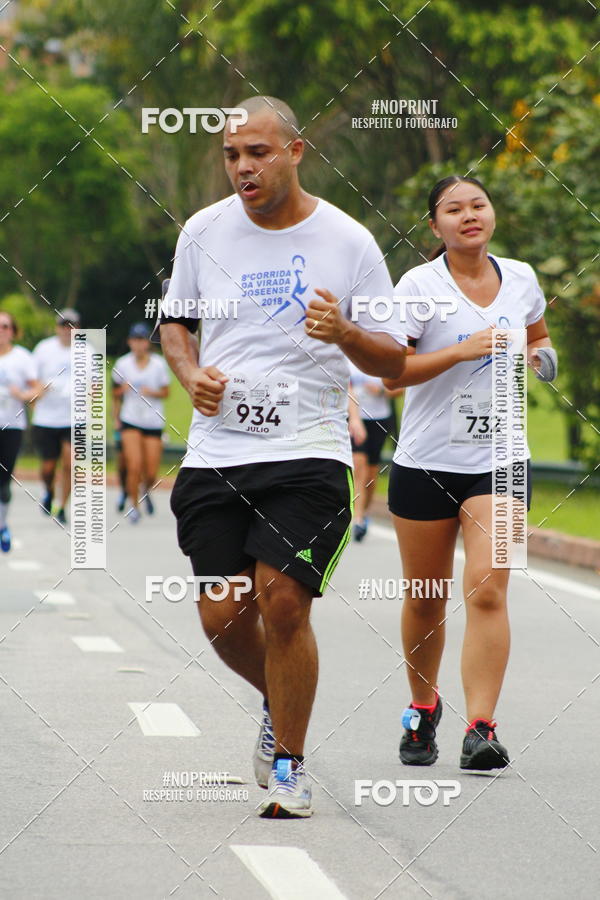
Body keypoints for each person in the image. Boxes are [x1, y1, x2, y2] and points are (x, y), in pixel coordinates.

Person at [158, 95, 406, 818]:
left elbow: (394, 358)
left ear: (295, 152)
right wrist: (188, 372)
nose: (243, 167)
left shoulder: (349, 241)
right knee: (220, 615)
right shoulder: (203, 230)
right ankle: (278, 694)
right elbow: (175, 324)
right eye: (232, 155)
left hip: (308, 447)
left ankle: (292, 766)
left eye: (258, 152)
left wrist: (347, 335)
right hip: (219, 450)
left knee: (285, 601)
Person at [383, 175, 556, 771]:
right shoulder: (417, 287)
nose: (468, 216)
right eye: (452, 210)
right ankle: (421, 709)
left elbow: (540, 337)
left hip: (502, 461)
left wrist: (540, 359)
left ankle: (481, 727)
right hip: (426, 463)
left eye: (477, 205)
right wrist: (462, 349)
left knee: (489, 586)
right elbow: (392, 374)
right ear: (435, 227)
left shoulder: (523, 278)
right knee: (426, 597)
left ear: (492, 214)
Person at [112, 323, 170, 524]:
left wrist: (151, 392)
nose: (138, 345)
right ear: (130, 342)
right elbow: (114, 394)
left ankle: (146, 489)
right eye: (135, 340)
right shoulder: (122, 364)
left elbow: (166, 392)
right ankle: (133, 505)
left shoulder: (158, 364)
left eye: (142, 340)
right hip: (130, 420)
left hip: (152, 421)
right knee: (134, 464)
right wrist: (116, 418)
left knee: (152, 471)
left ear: (148, 343)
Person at [32, 308, 80, 525]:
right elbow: (31, 379)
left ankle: (61, 506)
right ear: (56, 327)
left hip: (75, 417)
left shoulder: (87, 351)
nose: (66, 330)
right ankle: (49, 492)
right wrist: (40, 389)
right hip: (47, 417)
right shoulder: (43, 349)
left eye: (71, 326)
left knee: (70, 464)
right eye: (63, 325)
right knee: (48, 467)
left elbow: (95, 385)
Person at [0, 310, 39, 551]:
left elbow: (35, 391)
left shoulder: (22, 358)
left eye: (5, 326)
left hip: (12, 425)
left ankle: (2, 525)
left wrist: (21, 395)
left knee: (3, 482)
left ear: (13, 331)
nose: (1, 331)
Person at [348, 360, 396, 541]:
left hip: (379, 419)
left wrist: (381, 391)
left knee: (371, 473)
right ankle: (358, 519)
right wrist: (354, 417)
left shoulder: (379, 354)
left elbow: (399, 387)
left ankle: (364, 511)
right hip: (355, 419)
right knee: (358, 466)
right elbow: (345, 387)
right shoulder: (346, 355)